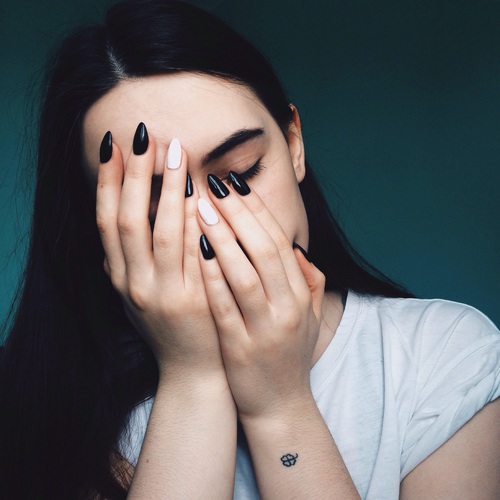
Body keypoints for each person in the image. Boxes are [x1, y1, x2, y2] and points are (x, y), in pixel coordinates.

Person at [0, 0, 499, 498]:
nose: (210, 223)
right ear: (103, 225)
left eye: (238, 175)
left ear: (294, 144)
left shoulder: (444, 357)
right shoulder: (49, 409)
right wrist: (192, 377)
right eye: (157, 204)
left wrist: (281, 405)